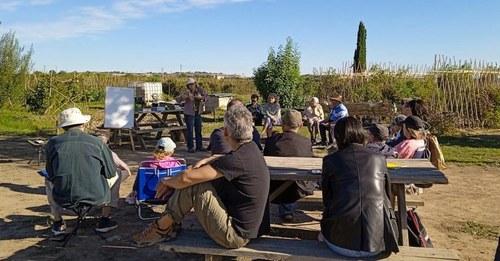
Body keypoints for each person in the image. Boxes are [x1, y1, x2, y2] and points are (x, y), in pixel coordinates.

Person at [131, 105, 270, 248]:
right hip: (251, 229)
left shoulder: (236, 160)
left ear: (226, 133)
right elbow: (226, 158)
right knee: (195, 178)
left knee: (195, 184)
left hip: (236, 236)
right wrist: (207, 160)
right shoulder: (251, 149)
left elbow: (186, 178)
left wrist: (167, 181)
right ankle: (167, 225)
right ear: (251, 129)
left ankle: (161, 228)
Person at [320, 116, 399, 257]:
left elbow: (326, 198)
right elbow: (387, 194)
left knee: (321, 235)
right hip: (379, 241)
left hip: (339, 242)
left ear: (337, 136)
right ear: (362, 134)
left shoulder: (330, 160)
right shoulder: (379, 159)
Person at [45, 107, 121, 236]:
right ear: (84, 124)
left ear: (63, 127)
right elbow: (110, 172)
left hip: (63, 196)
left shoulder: (52, 143)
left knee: (47, 180)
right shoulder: (97, 143)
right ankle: (104, 219)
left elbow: (51, 173)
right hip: (96, 194)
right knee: (118, 174)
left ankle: (58, 222)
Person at [264, 109, 316, 222]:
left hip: (275, 187)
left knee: (284, 178)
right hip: (300, 186)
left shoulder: (271, 142)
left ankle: (286, 211)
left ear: (283, 124)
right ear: (301, 125)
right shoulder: (306, 142)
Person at [125, 137, 180, 204]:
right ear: (171, 151)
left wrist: (135, 189)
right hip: (171, 195)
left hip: (147, 195)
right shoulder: (176, 164)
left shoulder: (147, 164)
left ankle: (133, 194)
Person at [176, 77, 207, 153]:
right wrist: (182, 97)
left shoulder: (200, 90)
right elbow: (177, 99)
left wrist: (201, 97)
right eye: (189, 85)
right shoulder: (186, 91)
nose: (191, 86)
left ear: (195, 84)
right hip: (189, 113)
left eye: (192, 84)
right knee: (190, 131)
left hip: (198, 112)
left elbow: (206, 96)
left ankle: (199, 146)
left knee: (198, 130)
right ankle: (190, 147)